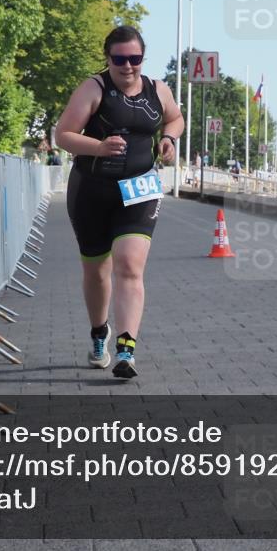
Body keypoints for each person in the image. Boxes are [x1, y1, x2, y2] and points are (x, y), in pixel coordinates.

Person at [54, 26, 184, 379]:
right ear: (108, 58)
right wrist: (98, 147)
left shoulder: (159, 89)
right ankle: (100, 333)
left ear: (143, 58)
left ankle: (126, 351)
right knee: (97, 272)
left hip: (140, 187)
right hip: (92, 190)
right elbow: (62, 134)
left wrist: (169, 138)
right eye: (120, 59)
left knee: (129, 264)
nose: (128, 66)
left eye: (135, 59)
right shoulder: (93, 89)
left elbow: (175, 117)